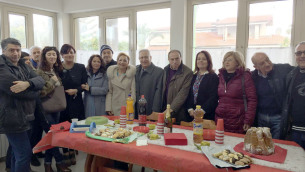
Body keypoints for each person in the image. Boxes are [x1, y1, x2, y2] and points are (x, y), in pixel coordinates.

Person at [0, 38, 45, 172]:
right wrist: (36, 91)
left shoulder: (22, 64)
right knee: (24, 154)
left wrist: (28, 84)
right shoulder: (1, 68)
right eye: (11, 50)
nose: (16, 53)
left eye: (18, 50)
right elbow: (17, 92)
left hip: (28, 114)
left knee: (16, 154)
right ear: (3, 51)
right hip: (12, 117)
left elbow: (40, 80)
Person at [36, 46, 71, 172]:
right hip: (45, 108)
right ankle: (60, 162)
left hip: (56, 107)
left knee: (53, 134)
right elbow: (40, 93)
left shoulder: (54, 70)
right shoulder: (39, 72)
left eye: (54, 54)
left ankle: (47, 164)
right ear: (44, 56)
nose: (52, 56)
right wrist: (52, 81)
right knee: (53, 135)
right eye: (49, 54)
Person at [251, 52, 294, 139]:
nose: (267, 64)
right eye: (262, 63)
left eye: (267, 59)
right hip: (261, 116)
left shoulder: (283, 69)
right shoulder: (253, 76)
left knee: (276, 144)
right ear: (256, 67)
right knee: (261, 143)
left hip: (278, 117)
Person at [215, 51, 257, 134]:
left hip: (238, 119)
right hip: (220, 118)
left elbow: (252, 100)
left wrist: (248, 120)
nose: (226, 62)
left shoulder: (245, 77)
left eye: (230, 60)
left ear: (238, 62)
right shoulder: (220, 76)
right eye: (225, 60)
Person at [60, 44, 87, 166]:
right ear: (62, 55)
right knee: (63, 128)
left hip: (76, 102)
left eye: (72, 52)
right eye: (66, 52)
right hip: (61, 102)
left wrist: (76, 90)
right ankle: (66, 152)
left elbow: (84, 85)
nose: (69, 54)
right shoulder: (58, 67)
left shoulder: (80, 67)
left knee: (74, 128)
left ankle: (72, 150)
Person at [281, 41, 305, 149]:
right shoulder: (291, 75)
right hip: (295, 130)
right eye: (299, 53)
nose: (302, 56)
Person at [162, 50, 193, 124]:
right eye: (172, 59)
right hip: (164, 107)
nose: (175, 61)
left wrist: (170, 109)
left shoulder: (188, 72)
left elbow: (183, 94)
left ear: (181, 58)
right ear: (168, 60)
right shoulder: (164, 70)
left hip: (179, 111)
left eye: (177, 59)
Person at [186, 50, 218, 120]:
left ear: (208, 61)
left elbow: (213, 97)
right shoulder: (193, 76)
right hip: (191, 115)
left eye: (204, 59)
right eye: (198, 59)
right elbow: (188, 95)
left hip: (206, 114)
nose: (201, 61)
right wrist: (190, 109)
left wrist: (201, 111)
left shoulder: (213, 77)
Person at [135, 49, 163, 119]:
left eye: (146, 57)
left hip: (150, 109)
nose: (144, 60)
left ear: (150, 57)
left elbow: (159, 92)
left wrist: (155, 111)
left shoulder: (159, 72)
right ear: (139, 59)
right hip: (136, 109)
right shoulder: (135, 70)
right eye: (141, 58)